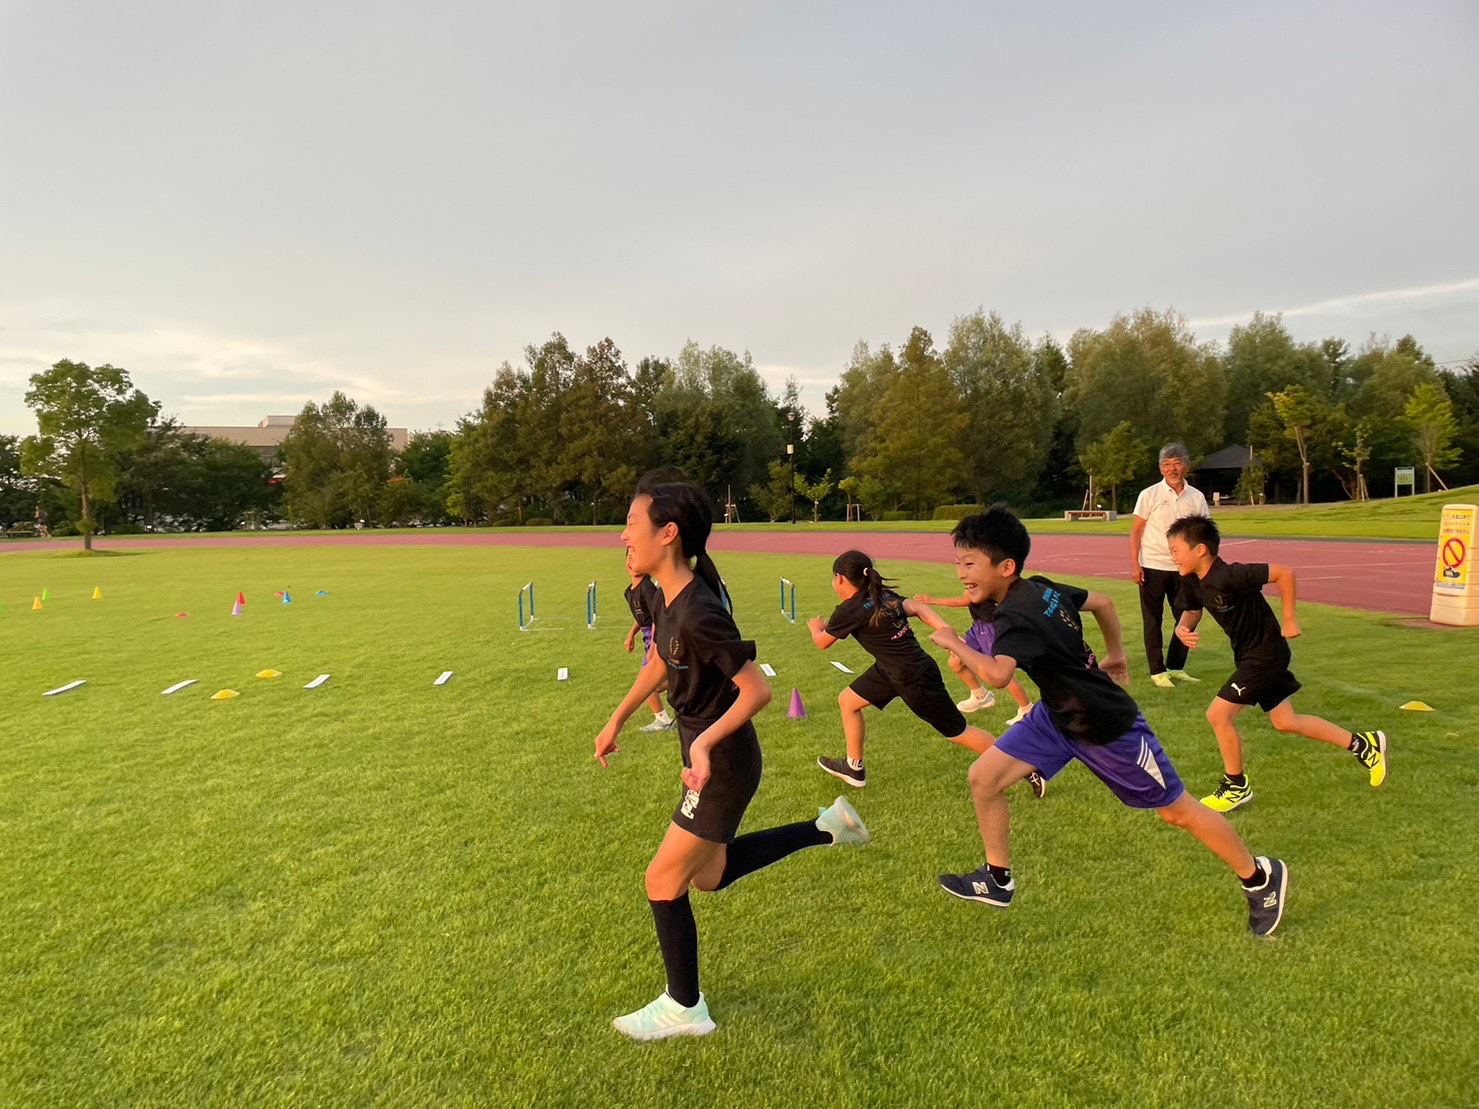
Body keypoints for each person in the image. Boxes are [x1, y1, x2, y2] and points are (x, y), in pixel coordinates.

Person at [594, 477, 871, 1041]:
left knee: (661, 880)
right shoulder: (658, 595)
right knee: (711, 876)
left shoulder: (699, 609)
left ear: (668, 533)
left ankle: (684, 1007)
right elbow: (661, 664)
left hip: (722, 761)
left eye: (632, 523)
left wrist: (700, 743)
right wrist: (617, 717)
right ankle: (826, 827)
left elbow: (757, 691)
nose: (622, 535)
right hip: (710, 752)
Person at [930, 506, 1289, 936]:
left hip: (1105, 727)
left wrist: (953, 641)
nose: (961, 573)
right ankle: (997, 879)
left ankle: (1260, 877)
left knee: (1178, 811)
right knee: (984, 778)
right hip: (1058, 715)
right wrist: (1116, 653)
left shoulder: (1013, 616)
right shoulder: (1038, 588)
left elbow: (998, 674)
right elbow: (1101, 602)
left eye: (969, 564)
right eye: (958, 564)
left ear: (1005, 567)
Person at [1166, 514, 1388, 812]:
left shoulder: (1232, 575)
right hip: (1249, 654)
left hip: (1266, 653)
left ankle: (1236, 786)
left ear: (1200, 550)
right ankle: (1365, 745)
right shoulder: (1191, 582)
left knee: (1218, 715)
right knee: (1286, 722)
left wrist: (1289, 620)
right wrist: (1183, 629)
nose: (1173, 557)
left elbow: (1284, 574)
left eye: (1176, 550)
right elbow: (1192, 612)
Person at [807, 550, 1044, 798]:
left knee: (959, 732)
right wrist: (944, 629)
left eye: (834, 579)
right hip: (893, 669)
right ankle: (854, 768)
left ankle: (1027, 767)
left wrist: (815, 629)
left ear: (840, 579)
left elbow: (822, 643)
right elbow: (918, 608)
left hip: (913, 678)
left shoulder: (849, 609)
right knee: (848, 701)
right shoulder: (882, 595)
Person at [1130, 443, 1209, 688]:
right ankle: (1157, 670)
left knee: (1189, 615)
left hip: (1185, 568)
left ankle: (1176, 666)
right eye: (1167, 464)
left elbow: (1205, 533)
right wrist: (1135, 564)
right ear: (1160, 468)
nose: (1172, 469)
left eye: (1177, 463)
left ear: (1186, 465)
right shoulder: (1149, 495)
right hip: (1153, 565)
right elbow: (1135, 532)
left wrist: (1203, 566)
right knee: (1153, 619)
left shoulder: (1196, 497)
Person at [911, 588, 1034, 724]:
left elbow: (964, 600)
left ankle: (1026, 709)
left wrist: (932, 600)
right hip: (978, 626)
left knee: (999, 672)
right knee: (956, 661)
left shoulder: (983, 576)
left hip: (990, 628)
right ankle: (981, 696)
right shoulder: (976, 576)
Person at [622, 550, 674, 733]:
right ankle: (687, 680)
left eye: (636, 557)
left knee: (645, 683)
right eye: (629, 557)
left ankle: (663, 720)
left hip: (658, 635)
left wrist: (654, 645)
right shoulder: (629, 592)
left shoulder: (647, 588)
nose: (631, 562)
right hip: (648, 635)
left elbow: (657, 616)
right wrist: (631, 635)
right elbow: (641, 617)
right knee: (651, 683)